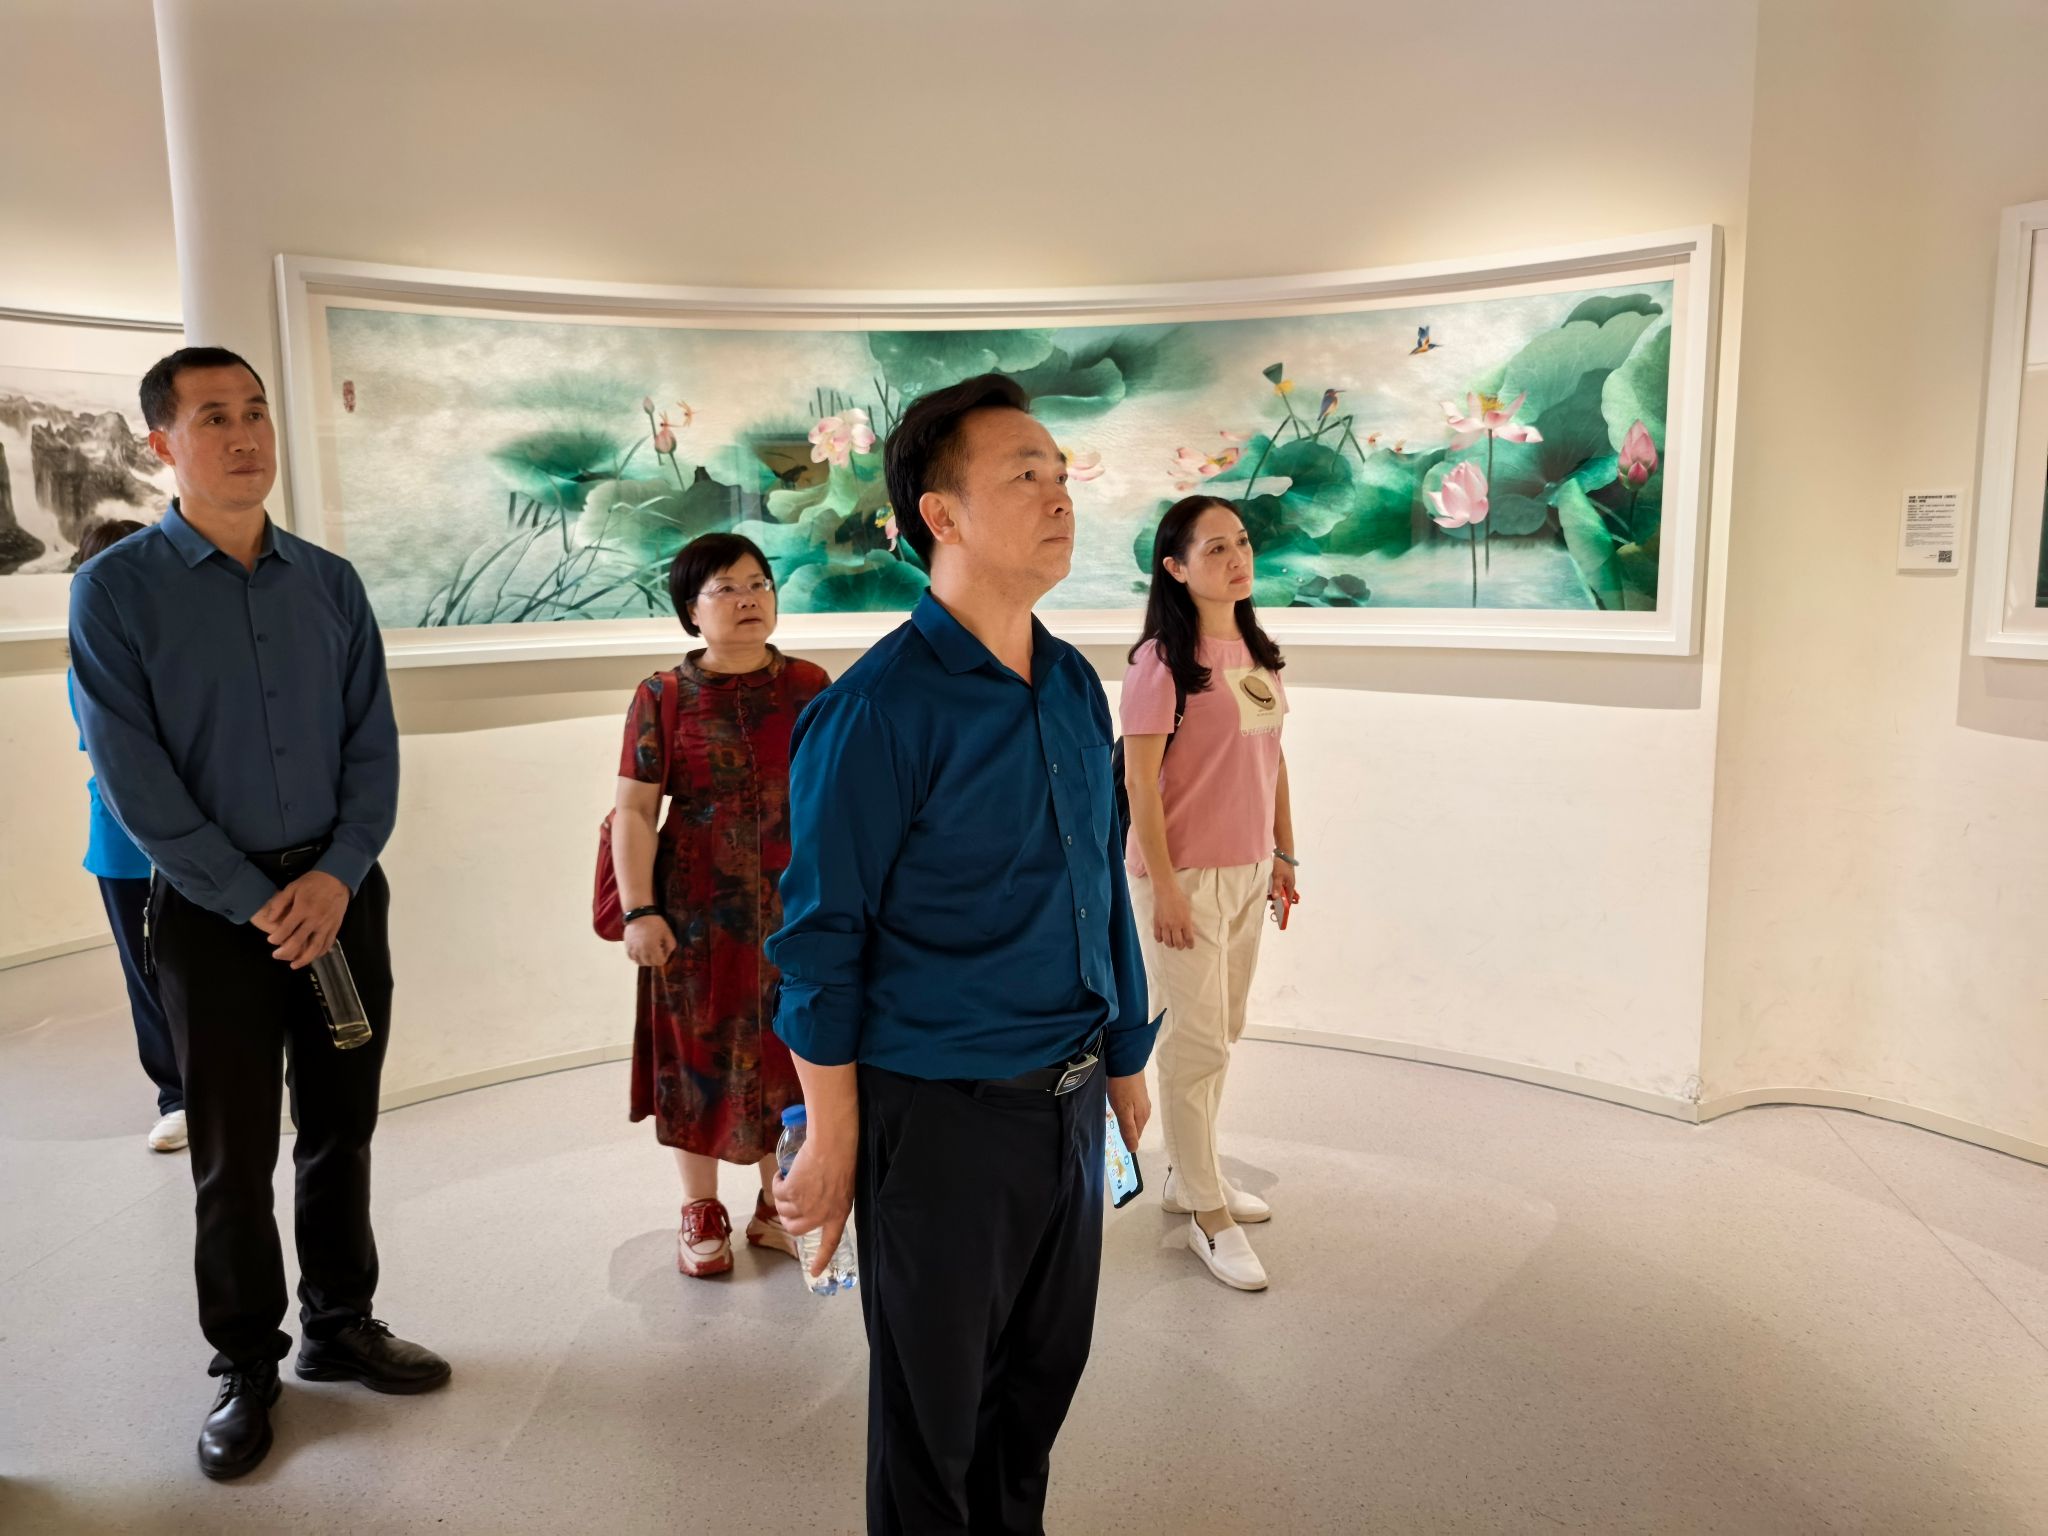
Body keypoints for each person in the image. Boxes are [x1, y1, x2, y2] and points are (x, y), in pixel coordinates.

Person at [767, 373, 1156, 1534]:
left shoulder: (1072, 683)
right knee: (932, 1433)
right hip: (939, 1117)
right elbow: (820, 942)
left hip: (1068, 1105)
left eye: (1060, 472)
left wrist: (1125, 1060)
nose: (1058, 494)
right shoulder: (875, 711)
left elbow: (1100, 882)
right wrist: (831, 1138)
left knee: (1033, 1403)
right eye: (1024, 474)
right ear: (939, 514)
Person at [68, 346, 447, 1482]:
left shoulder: (329, 582)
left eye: (255, 412)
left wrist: (338, 874)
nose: (243, 436)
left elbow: (372, 746)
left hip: (339, 899)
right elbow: (133, 780)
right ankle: (245, 1362)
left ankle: (341, 1323)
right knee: (230, 1151)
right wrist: (252, 899)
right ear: (163, 444)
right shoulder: (116, 591)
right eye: (213, 418)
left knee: (341, 1124)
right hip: (210, 912)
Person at [610, 531, 829, 1277]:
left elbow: (836, 796)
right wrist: (640, 912)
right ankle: (699, 1206)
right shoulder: (662, 695)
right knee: (694, 1055)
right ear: (690, 610)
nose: (748, 599)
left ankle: (777, 1204)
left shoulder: (809, 685)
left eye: (759, 583)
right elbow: (634, 810)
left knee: (788, 1052)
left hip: (794, 905)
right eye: (726, 589)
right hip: (694, 913)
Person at [1120, 495, 1297, 1293]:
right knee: (1195, 1044)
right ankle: (1205, 1212)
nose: (1237, 558)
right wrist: (1163, 889)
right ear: (1176, 567)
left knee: (1222, 1031)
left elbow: (1273, 758)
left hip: (1249, 868)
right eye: (1215, 547)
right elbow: (1140, 785)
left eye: (1243, 542)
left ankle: (1189, 1175)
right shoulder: (1160, 662)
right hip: (1183, 876)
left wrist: (1284, 852)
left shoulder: (1256, 653)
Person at [68, 517, 186, 1152]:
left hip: (208, 845)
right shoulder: (89, 665)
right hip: (127, 849)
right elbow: (122, 764)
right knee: (150, 976)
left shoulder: (194, 650)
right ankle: (177, 1097)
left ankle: (242, 1082)